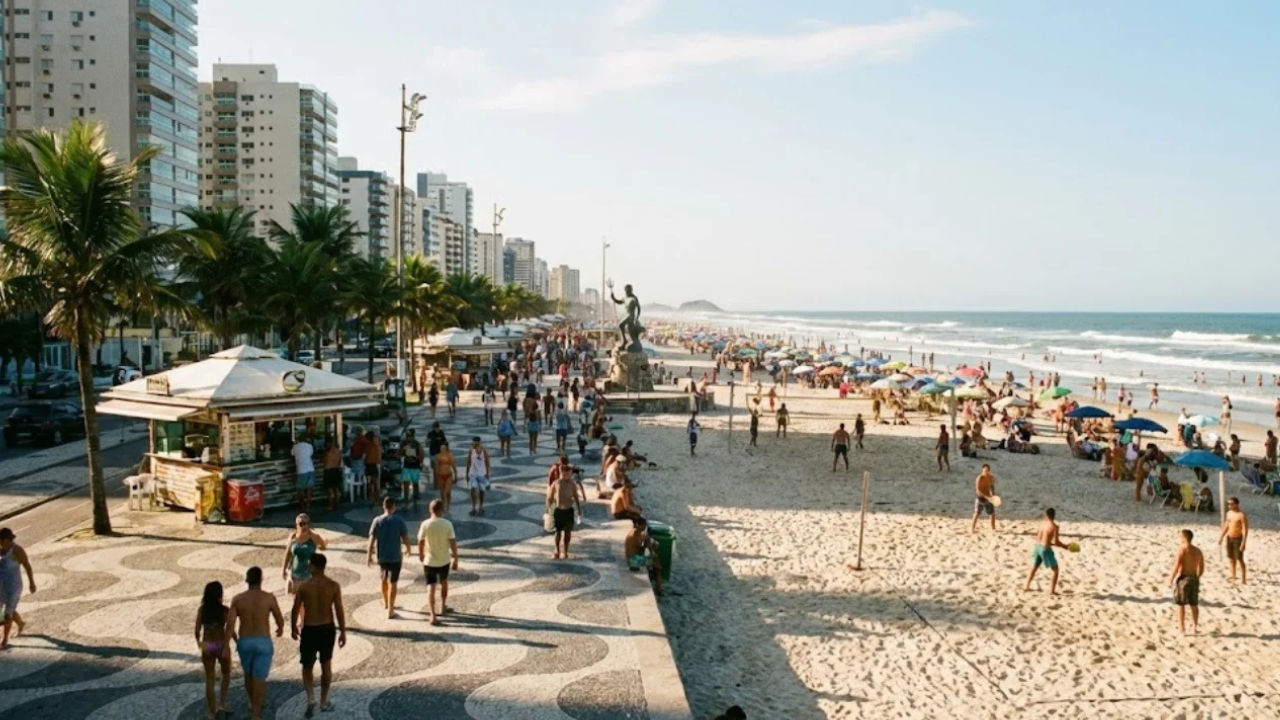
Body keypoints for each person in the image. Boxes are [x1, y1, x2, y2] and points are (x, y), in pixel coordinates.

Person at [291, 553, 346, 716]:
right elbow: (339, 610)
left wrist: (293, 627)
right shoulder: (333, 586)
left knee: (307, 665)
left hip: (310, 628)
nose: (308, 566)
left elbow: (295, 608)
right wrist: (343, 631)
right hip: (327, 628)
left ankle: (310, 698)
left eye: (310, 564)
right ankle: (323, 700)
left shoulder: (304, 586)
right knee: (326, 665)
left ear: (313, 566)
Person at [227, 567, 284, 720]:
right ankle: (256, 715)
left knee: (248, 674)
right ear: (261, 580)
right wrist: (280, 628)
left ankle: (252, 702)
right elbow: (279, 618)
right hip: (263, 641)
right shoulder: (269, 598)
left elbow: (230, 625)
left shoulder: (238, 599)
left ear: (247, 580)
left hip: (245, 641)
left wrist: (225, 644)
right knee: (259, 678)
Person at [367, 497, 413, 618]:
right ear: (394, 507)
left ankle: (386, 603)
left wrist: (369, 555)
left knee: (383, 579)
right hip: (395, 556)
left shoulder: (377, 521)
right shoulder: (399, 520)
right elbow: (405, 536)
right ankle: (391, 610)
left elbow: (371, 539)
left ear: (383, 506)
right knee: (393, 582)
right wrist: (408, 548)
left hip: (382, 556)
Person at [417, 499, 459, 626]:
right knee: (444, 582)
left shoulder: (425, 524)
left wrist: (421, 554)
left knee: (431, 586)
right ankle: (443, 605)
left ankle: (432, 615)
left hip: (429, 560)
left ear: (430, 510)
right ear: (442, 510)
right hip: (444, 560)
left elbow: (420, 541)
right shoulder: (447, 524)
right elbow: (452, 542)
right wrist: (456, 558)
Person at [195, 581, 231, 720]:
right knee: (225, 674)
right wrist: (235, 641)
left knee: (209, 678)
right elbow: (230, 629)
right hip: (220, 645)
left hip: (208, 646)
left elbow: (197, 630)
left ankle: (211, 712)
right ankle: (222, 704)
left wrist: (199, 643)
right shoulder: (224, 610)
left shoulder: (202, 610)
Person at [0, 527, 34, 650]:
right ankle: (20, 623)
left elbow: (27, 566)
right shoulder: (0, 550)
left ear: (6, 540)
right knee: (4, 610)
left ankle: (4, 639)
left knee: (8, 613)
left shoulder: (17, 550)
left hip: (14, 586)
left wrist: (32, 583)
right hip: (1, 586)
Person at [1023, 508, 1070, 595]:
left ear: (1046, 515)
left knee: (1034, 567)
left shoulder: (1042, 524)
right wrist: (1065, 546)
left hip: (1037, 547)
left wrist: (1048, 542)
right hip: (1045, 549)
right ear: (1054, 515)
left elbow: (1038, 537)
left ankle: (1026, 586)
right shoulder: (1054, 527)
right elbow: (1056, 542)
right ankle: (1052, 591)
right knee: (1055, 570)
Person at [547, 457, 585, 559]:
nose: (566, 476)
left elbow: (576, 497)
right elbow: (550, 498)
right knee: (558, 531)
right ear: (561, 473)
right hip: (558, 510)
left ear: (571, 474)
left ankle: (566, 551)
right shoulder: (556, 483)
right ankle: (557, 549)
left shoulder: (572, 484)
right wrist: (548, 510)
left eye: (568, 474)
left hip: (569, 510)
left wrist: (579, 509)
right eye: (564, 474)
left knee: (568, 532)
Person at [1169, 529, 1204, 635]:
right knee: (1194, 605)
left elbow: (1176, 566)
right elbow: (1201, 568)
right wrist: (1197, 577)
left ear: (1183, 538)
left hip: (1184, 579)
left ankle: (1182, 628)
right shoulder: (1198, 551)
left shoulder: (1182, 550)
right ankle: (1195, 627)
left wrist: (1170, 579)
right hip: (1194, 579)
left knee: (1181, 605)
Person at [281, 514, 327, 594]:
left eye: (307, 523)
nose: (305, 526)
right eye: (302, 524)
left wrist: (319, 546)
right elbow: (288, 553)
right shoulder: (293, 537)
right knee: (295, 598)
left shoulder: (313, 536)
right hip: (294, 574)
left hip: (308, 575)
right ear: (297, 525)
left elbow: (323, 546)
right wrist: (283, 569)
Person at [625, 517, 664, 596]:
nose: (643, 529)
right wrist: (650, 548)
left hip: (631, 558)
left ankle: (656, 582)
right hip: (633, 561)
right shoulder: (636, 534)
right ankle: (659, 589)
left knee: (653, 560)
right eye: (642, 527)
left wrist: (647, 543)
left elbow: (640, 549)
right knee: (657, 566)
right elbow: (641, 549)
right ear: (637, 525)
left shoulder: (635, 533)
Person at [1219, 497, 1249, 584]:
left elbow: (1245, 529)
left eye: (1231, 504)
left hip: (1238, 539)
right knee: (1231, 558)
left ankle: (1243, 578)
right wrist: (1221, 536)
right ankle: (1233, 575)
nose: (1229, 506)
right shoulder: (1229, 513)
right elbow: (1227, 525)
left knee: (1239, 558)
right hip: (1229, 537)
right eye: (1228, 504)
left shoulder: (1241, 515)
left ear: (1236, 504)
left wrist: (1243, 542)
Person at [466, 436, 491, 516]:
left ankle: (481, 506)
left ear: (479, 442)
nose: (474, 444)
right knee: (473, 489)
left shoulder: (484, 451)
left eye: (475, 442)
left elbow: (487, 462)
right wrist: (467, 474)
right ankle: (473, 507)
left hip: (482, 473)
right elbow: (468, 462)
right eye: (473, 442)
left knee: (482, 490)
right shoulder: (471, 451)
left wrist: (488, 474)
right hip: (473, 473)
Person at [399, 429, 424, 505]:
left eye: (410, 436)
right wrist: (403, 449)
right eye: (407, 436)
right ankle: (406, 503)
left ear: (413, 436)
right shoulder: (404, 443)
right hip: (406, 466)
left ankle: (415, 502)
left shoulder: (417, 444)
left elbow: (422, 456)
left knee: (415, 484)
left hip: (415, 467)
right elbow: (398, 454)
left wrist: (415, 456)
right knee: (406, 485)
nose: (408, 438)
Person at [292, 435, 316, 513]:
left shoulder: (295, 447)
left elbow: (292, 454)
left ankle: (302, 506)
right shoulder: (309, 446)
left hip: (301, 470)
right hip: (311, 469)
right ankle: (308, 506)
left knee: (300, 489)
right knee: (309, 489)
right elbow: (311, 454)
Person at [971, 464, 996, 533]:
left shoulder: (991, 477)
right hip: (980, 498)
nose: (985, 471)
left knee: (992, 513)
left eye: (987, 470)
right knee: (976, 513)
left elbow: (992, 486)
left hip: (988, 498)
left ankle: (993, 528)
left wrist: (993, 495)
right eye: (984, 470)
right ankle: (972, 528)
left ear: (989, 471)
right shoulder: (979, 478)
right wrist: (985, 496)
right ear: (982, 470)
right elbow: (978, 490)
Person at [433, 441, 457, 513]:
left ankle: (448, 505)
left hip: (448, 475)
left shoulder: (450, 455)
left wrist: (456, 475)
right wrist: (436, 478)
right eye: (441, 448)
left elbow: (453, 465)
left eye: (443, 448)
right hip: (440, 475)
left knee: (448, 492)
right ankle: (443, 505)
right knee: (442, 492)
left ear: (446, 448)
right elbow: (436, 467)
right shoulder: (437, 456)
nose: (442, 449)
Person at [321, 438, 343, 512]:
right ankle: (337, 504)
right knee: (336, 488)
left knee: (330, 490)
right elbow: (340, 461)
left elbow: (324, 461)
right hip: (336, 470)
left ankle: (331, 505)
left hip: (328, 470)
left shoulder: (327, 452)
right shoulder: (338, 451)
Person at [363, 430, 383, 503]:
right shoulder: (376, 445)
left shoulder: (368, 446)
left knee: (370, 483)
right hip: (374, 465)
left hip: (369, 465)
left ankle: (371, 498)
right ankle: (376, 498)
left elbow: (365, 456)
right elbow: (379, 456)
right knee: (375, 483)